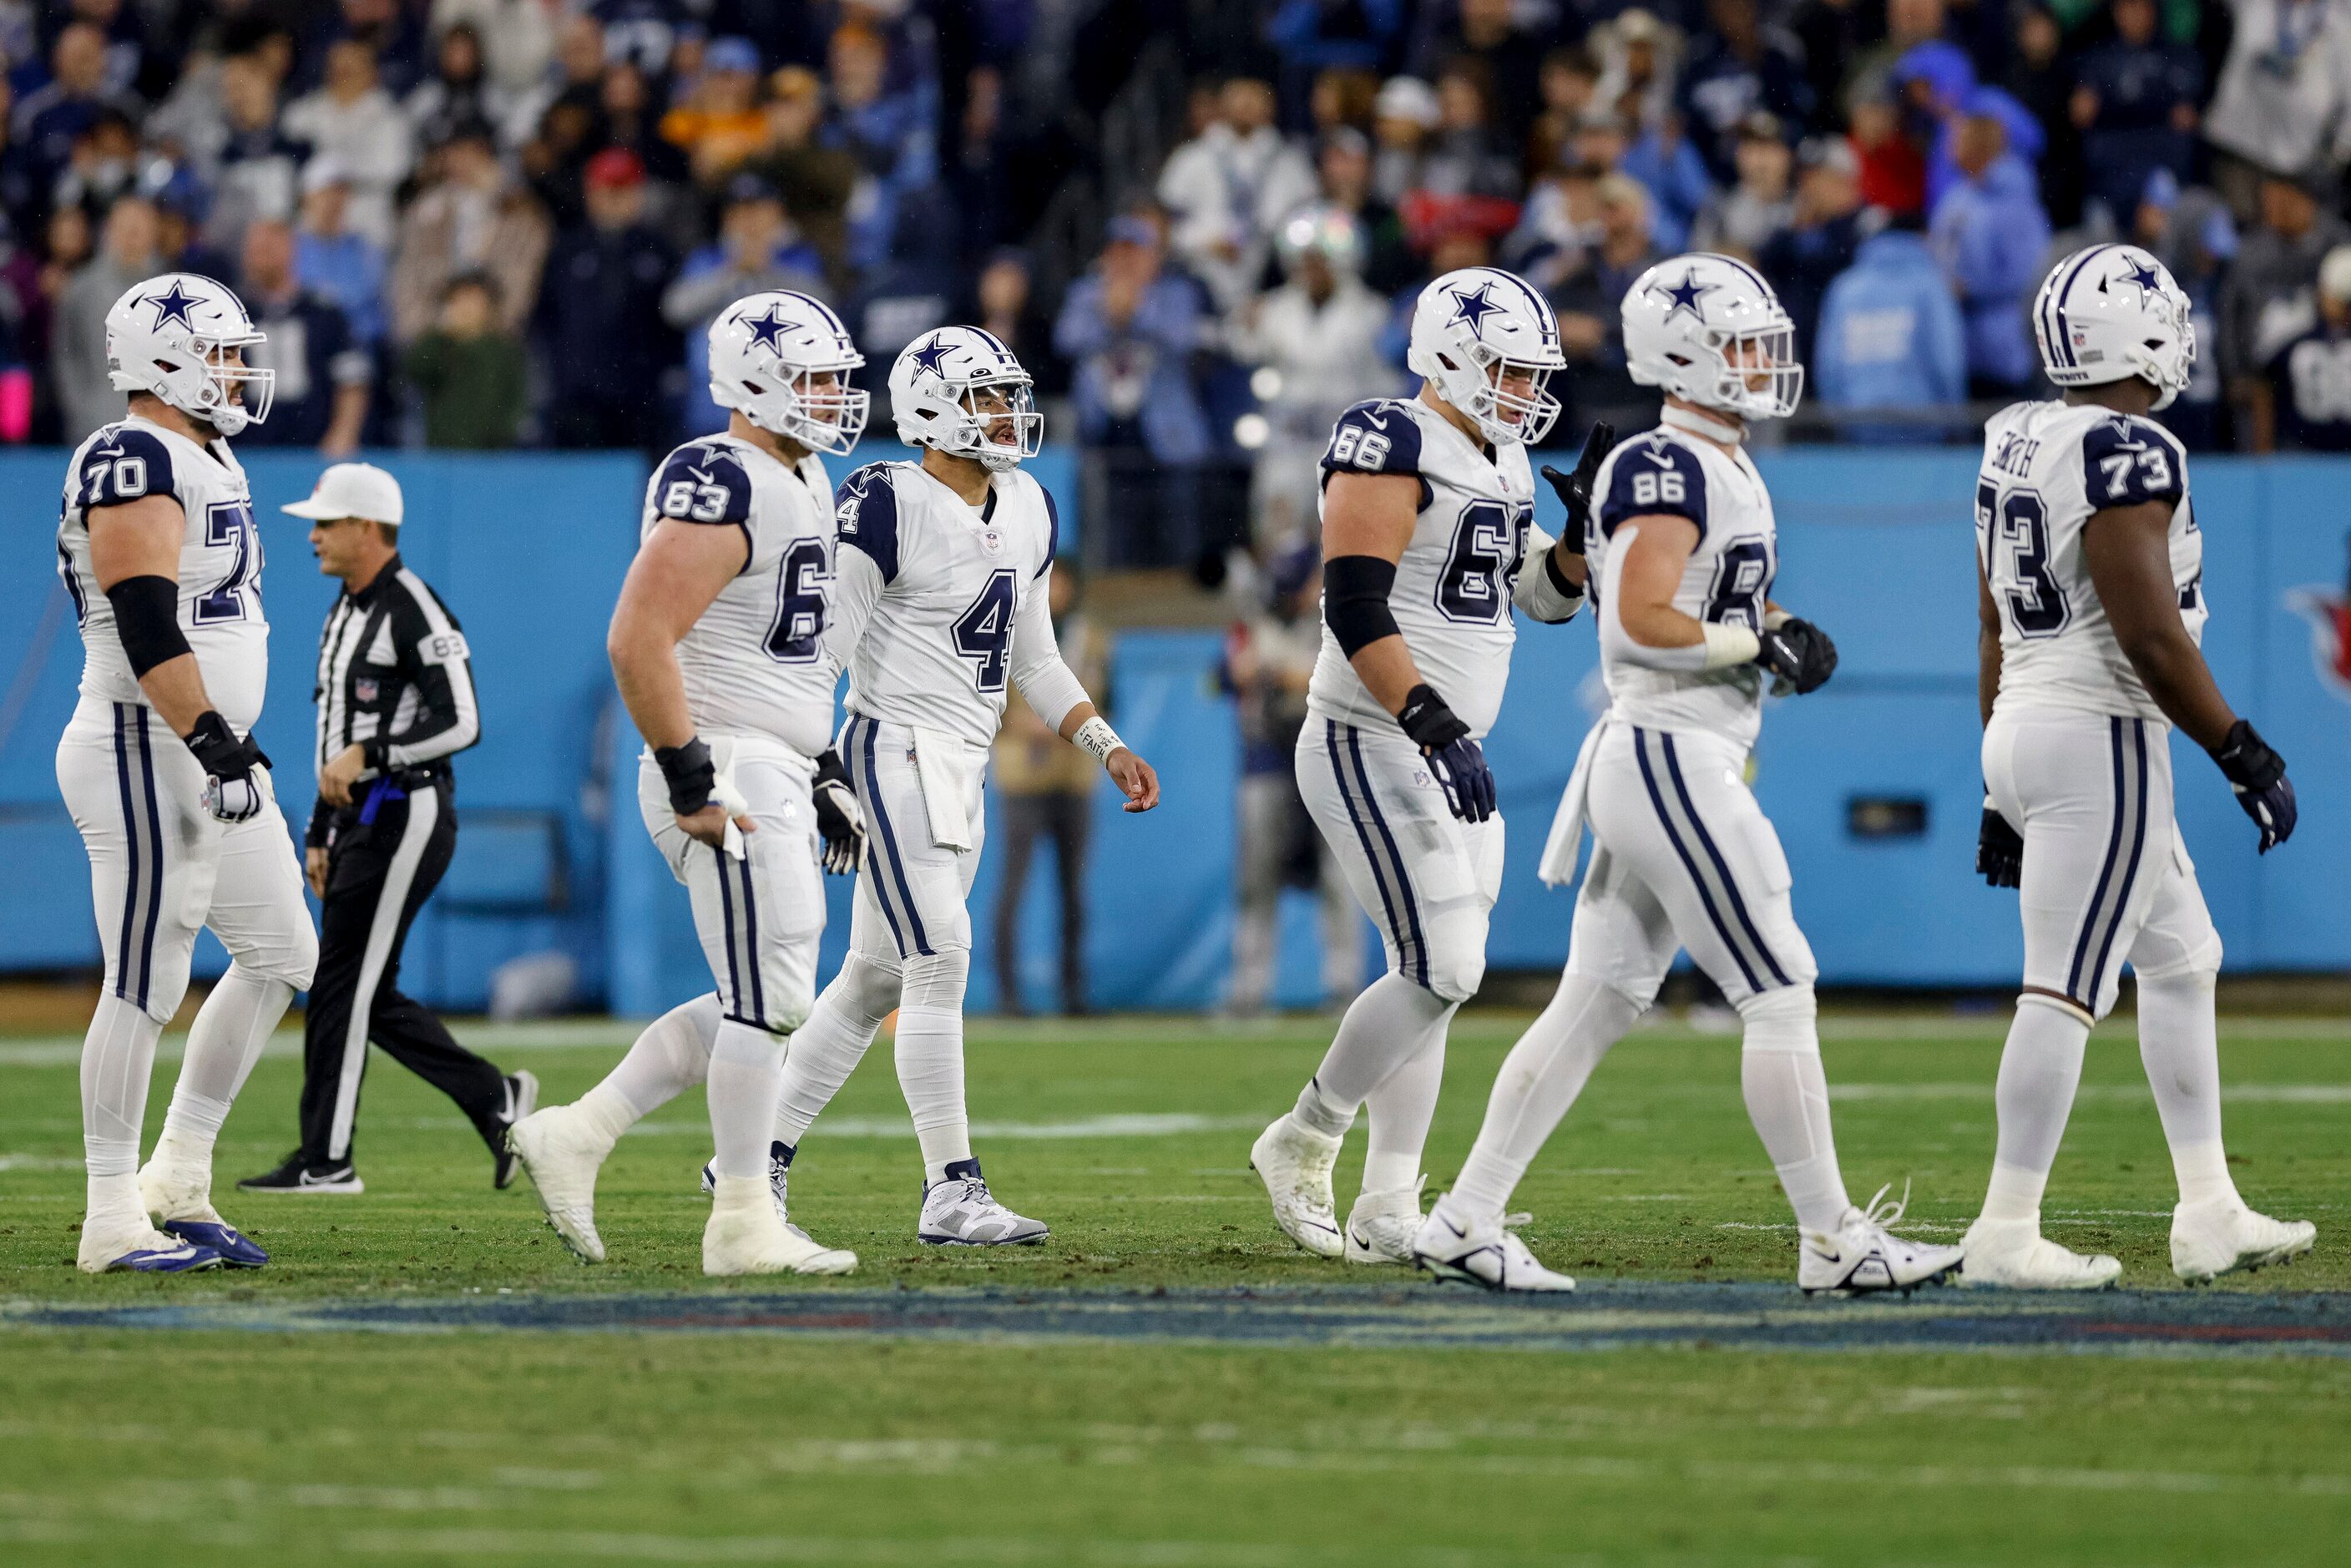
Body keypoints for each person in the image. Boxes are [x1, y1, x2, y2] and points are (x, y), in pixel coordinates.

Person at [1410, 255, 1964, 1297]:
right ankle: (1834, 1241)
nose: (1763, 365)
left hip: (1673, 752)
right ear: (1682, 353)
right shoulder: (1669, 464)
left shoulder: (1720, 459)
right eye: (1743, 346)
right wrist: (1748, 645)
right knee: (1777, 983)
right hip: (1668, 749)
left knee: (1598, 1001)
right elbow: (1637, 624)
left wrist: (1777, 627)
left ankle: (1464, 1216)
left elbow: (1714, 599)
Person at [753, 326, 1162, 1247]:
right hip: (885, 747)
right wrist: (817, 765)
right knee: (939, 955)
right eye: (984, 397)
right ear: (933, 411)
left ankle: (750, 1162)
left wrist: (1102, 741)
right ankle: (952, 1188)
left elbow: (1036, 657)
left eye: (1007, 395)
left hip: (962, 764)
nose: (1006, 414)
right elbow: (824, 653)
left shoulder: (1027, 504)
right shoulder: (885, 500)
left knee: (868, 980)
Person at [1959, 244, 2314, 1287]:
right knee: (2063, 988)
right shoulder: (2126, 449)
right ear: (2140, 334)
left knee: (2179, 954)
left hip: (2025, 719)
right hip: (2099, 731)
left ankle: (2207, 1207)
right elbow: (2150, 635)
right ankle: (2003, 1229)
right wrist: (2239, 750)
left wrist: (1994, 784)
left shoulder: (2013, 434)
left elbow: (1988, 619)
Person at [508, 291, 870, 1277]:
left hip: (774, 758)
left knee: (770, 995)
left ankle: (576, 1133)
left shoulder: (803, 475)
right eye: (816, 378)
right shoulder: (722, 475)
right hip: (727, 760)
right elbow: (637, 638)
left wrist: (825, 762)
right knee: (766, 998)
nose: (836, 396)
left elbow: (786, 656)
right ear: (755, 381)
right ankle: (742, 1222)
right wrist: (690, 779)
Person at [1246, 266, 1586, 1268]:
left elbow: (1537, 598)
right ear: (1450, 355)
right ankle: (1303, 1135)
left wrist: (1578, 549)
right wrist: (1428, 718)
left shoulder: (1508, 458)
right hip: (1374, 732)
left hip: (1445, 745)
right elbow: (1353, 603)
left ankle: (1388, 1204)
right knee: (1443, 964)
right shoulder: (1388, 436)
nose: (1526, 391)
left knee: (1430, 976)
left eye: (1533, 373)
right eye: (1509, 369)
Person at [55, 272, 316, 1272]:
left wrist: (219, 741)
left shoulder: (197, 452)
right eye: (217, 353)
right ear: (162, 359)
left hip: (203, 749)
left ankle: (180, 1175)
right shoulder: (131, 453)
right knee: (142, 982)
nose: (236, 373)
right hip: (143, 741)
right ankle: (111, 1216)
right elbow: (144, 611)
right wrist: (212, 735)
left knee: (281, 953)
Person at [239, 461, 527, 1193]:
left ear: (368, 528)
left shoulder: (413, 608)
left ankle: (328, 1159)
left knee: (343, 983)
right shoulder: (345, 608)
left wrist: (376, 753)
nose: (313, 537)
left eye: (327, 523)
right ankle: (495, 1097)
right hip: (361, 818)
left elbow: (462, 719)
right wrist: (318, 829)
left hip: (409, 808)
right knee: (359, 985)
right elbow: (332, 734)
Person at [1223, 540, 1361, 1018]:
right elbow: (1222, 676)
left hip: (1328, 763)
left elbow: (1350, 676)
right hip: (1267, 762)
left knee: (1340, 878)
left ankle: (1343, 986)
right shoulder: (1255, 622)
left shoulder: (1337, 619)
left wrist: (1288, 673)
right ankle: (1249, 989)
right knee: (1257, 881)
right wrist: (1252, 668)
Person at [989, 563, 1108, 1017]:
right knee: (1014, 886)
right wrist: (1029, 725)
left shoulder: (1091, 637)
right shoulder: (1008, 628)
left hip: (1075, 776)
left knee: (1073, 891)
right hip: (1023, 776)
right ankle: (1007, 994)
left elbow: (1106, 700)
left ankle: (1073, 992)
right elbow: (988, 701)